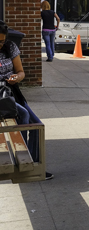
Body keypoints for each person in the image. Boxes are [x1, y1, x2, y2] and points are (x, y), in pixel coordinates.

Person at [0, 21, 53, 180]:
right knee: (24, 115)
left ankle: (32, 164)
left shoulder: (10, 47)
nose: (0, 44)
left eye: (2, 41)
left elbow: (21, 72)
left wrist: (17, 78)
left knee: (36, 124)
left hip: (11, 92)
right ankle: (23, 162)